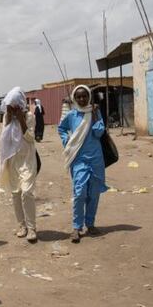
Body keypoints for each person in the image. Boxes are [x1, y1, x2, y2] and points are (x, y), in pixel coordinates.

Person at [58, 85, 108, 244]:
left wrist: (94, 116)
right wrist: (67, 142)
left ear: (89, 97)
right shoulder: (71, 115)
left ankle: (90, 224)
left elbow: (99, 132)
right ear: (74, 98)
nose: (81, 99)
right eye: (78, 97)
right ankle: (76, 227)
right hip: (78, 159)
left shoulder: (95, 111)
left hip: (96, 159)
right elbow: (61, 129)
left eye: (84, 96)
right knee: (80, 193)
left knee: (94, 194)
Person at [0, 87, 38, 243]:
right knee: (15, 193)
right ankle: (22, 226)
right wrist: (9, 118)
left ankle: (32, 227)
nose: (14, 108)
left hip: (27, 160)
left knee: (27, 192)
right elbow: (4, 140)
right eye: (11, 105)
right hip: (13, 161)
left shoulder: (29, 117)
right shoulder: (6, 118)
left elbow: (30, 138)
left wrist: (21, 118)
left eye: (16, 105)